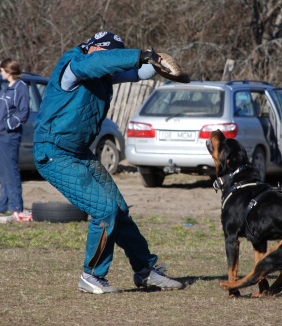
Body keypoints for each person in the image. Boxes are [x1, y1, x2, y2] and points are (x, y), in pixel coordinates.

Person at [33, 31, 183, 294]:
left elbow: (136, 73)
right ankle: (91, 276)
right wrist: (140, 55)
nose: (109, 61)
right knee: (104, 210)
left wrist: (155, 64)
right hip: (54, 153)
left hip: (78, 152)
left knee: (118, 210)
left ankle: (145, 271)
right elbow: (100, 64)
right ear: (93, 48)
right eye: (107, 54)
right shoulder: (74, 65)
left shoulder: (101, 73)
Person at [0, 58, 32, 222]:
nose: (0, 73)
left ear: (9, 71)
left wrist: (8, 125)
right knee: (2, 171)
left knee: (11, 171)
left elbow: (23, 112)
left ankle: (16, 207)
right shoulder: (6, 88)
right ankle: (2, 205)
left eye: (2, 70)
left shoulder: (20, 88)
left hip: (9, 136)